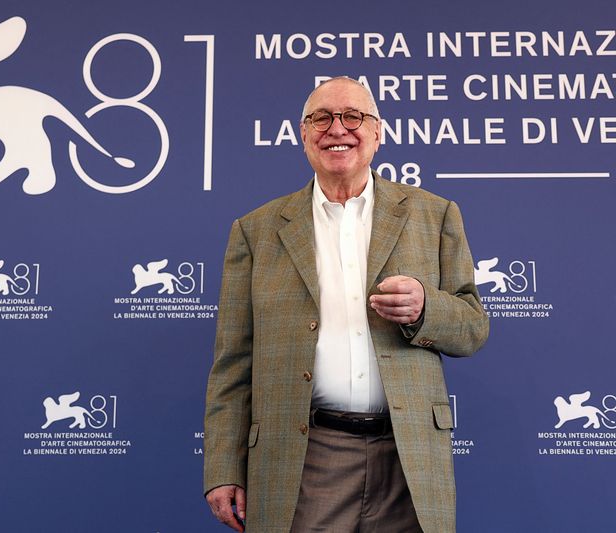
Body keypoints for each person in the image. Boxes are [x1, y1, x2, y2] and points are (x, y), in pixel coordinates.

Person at [203, 76, 489, 533]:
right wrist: (223, 466)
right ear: (303, 135)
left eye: (353, 117)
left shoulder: (434, 214)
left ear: (378, 132)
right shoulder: (255, 231)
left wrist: (424, 309)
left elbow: (473, 327)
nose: (337, 128)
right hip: (305, 457)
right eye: (321, 118)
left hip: (408, 453)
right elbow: (233, 362)